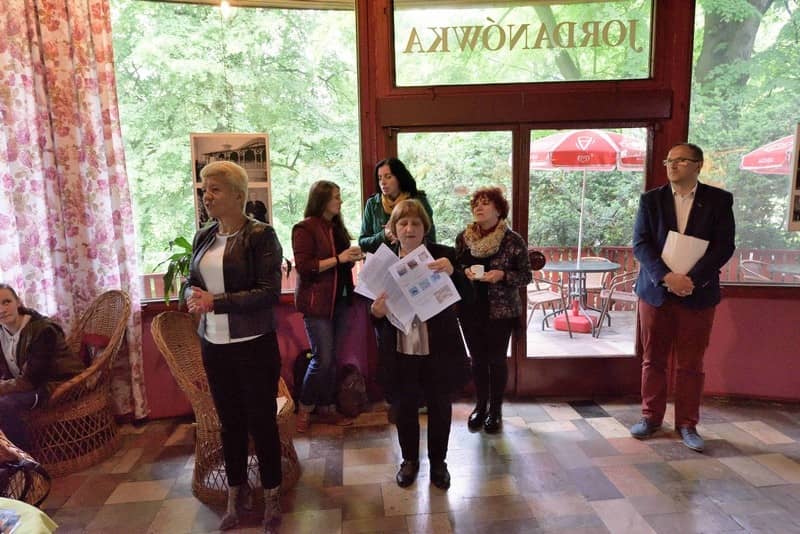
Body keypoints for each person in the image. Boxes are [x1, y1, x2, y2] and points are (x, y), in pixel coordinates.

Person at [186, 161, 284, 531]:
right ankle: (236, 492)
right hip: (214, 343)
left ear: (239, 195)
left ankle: (272, 495)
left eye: (215, 189)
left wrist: (217, 301)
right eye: (205, 189)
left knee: (262, 422)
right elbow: (191, 280)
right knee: (230, 423)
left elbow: (268, 292)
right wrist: (191, 295)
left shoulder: (261, 235)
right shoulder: (204, 236)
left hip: (254, 344)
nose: (207, 196)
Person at [630, 142, 735, 452]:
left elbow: (724, 246)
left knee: (691, 363)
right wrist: (667, 277)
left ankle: (687, 424)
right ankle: (650, 418)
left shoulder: (719, 201)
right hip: (655, 292)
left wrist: (691, 279)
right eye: (669, 160)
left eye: (680, 160)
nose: (672, 165)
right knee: (653, 360)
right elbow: (640, 244)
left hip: (698, 293)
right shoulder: (651, 200)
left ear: (698, 165)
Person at [369, 199, 469, 490]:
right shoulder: (383, 263)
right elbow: (373, 310)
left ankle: (439, 463)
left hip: (438, 350)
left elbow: (470, 296)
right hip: (401, 350)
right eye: (403, 223)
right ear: (393, 230)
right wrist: (375, 312)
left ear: (425, 228)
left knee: (440, 407)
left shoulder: (443, 255)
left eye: (415, 223)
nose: (409, 228)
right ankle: (409, 461)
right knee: (404, 408)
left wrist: (454, 272)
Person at [455, 187, 531, 434]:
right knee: (477, 360)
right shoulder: (463, 238)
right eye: (476, 203)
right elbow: (456, 268)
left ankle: (495, 410)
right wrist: (464, 272)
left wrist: (503, 275)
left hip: (501, 310)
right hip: (470, 308)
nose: (478, 207)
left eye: (485, 203)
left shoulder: (513, 240)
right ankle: (480, 406)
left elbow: (526, 275)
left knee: (496, 360)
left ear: (498, 210)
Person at [292, 181, 363, 433]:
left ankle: (328, 407)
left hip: (341, 301)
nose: (340, 201)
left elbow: (340, 265)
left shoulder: (337, 228)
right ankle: (304, 407)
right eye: (336, 197)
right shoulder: (304, 228)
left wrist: (352, 258)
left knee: (332, 359)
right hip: (317, 305)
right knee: (322, 359)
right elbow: (305, 267)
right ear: (322, 200)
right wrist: (339, 259)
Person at [0, 284, 85, 450]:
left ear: (18, 302)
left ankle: (25, 459)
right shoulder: (1, 332)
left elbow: (32, 381)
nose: (2, 309)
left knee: (5, 404)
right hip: (27, 384)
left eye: (6, 302)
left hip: (55, 384)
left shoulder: (43, 330)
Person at [359, 158, 437, 253]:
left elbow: (431, 239)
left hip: (412, 257)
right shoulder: (373, 203)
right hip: (383, 260)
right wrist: (384, 235)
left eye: (388, 177)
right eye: (379, 178)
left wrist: (403, 236)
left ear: (399, 178)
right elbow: (363, 243)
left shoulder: (419, 200)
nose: (383, 182)